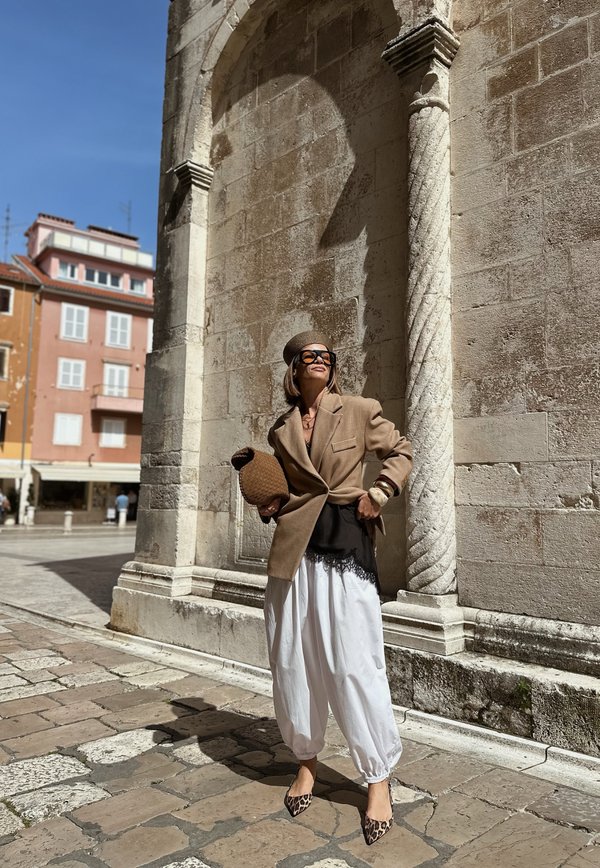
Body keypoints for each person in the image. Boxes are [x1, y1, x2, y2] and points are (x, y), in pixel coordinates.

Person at [260, 331, 412, 845]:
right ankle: (306, 762)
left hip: (345, 543)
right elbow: (284, 488)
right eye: (309, 356)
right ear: (294, 368)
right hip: (293, 550)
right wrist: (269, 502)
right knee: (292, 662)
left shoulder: (360, 409)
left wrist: (381, 491)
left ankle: (378, 778)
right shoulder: (281, 428)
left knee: (352, 662)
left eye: (326, 355)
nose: (319, 360)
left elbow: (401, 450)